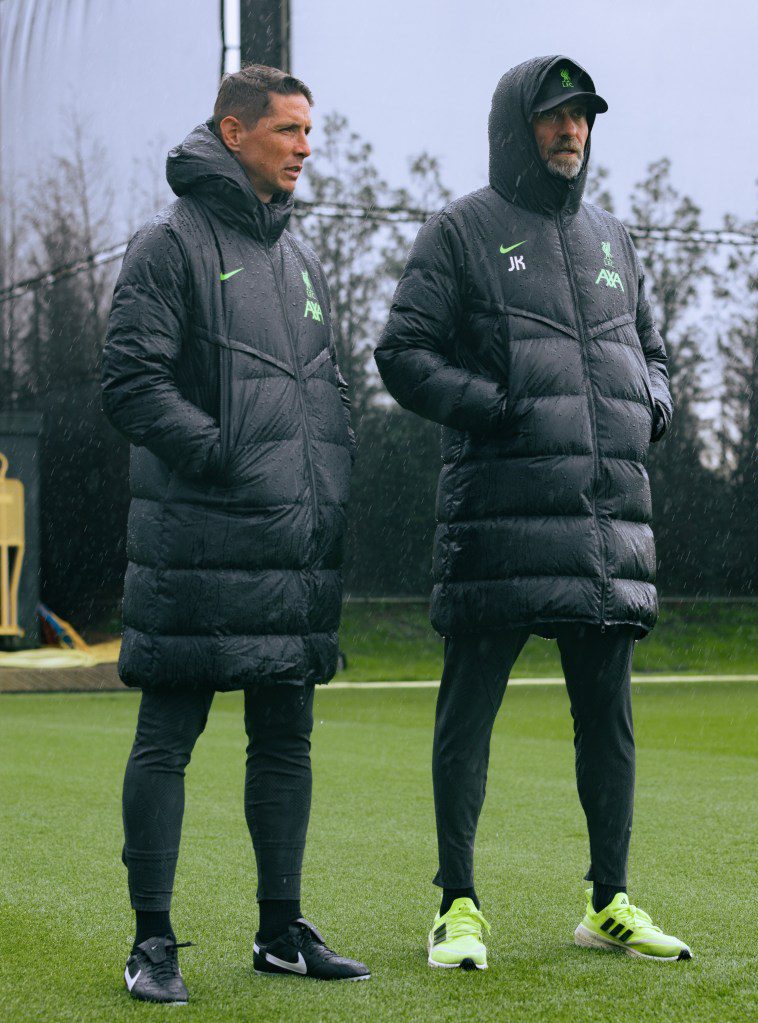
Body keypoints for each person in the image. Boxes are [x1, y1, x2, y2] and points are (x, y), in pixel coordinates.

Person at [375, 55, 691, 968]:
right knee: (468, 711)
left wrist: (652, 405)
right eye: (554, 117)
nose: (571, 131)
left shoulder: (614, 240)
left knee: (609, 719)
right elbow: (403, 350)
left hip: (602, 526)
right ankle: (457, 903)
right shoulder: (461, 230)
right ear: (518, 127)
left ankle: (609, 902)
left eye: (583, 117)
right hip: (500, 520)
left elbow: (654, 352)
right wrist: (493, 406)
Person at [101, 65, 368, 1003]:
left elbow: (323, 390)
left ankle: (279, 930)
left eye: (308, 131)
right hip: (196, 543)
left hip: (287, 549)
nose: (304, 146)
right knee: (168, 736)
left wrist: (322, 472)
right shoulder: (169, 244)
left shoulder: (298, 262)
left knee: (286, 736)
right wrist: (227, 457)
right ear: (232, 131)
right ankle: (152, 941)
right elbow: (131, 382)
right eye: (289, 130)